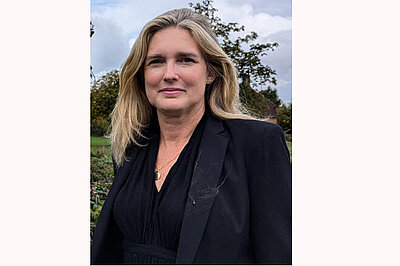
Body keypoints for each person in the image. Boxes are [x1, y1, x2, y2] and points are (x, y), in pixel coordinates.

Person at [91, 8, 291, 265]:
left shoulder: (256, 143)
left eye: (186, 60)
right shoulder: (131, 147)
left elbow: (278, 254)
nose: (169, 73)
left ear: (211, 73)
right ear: (142, 75)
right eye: (156, 61)